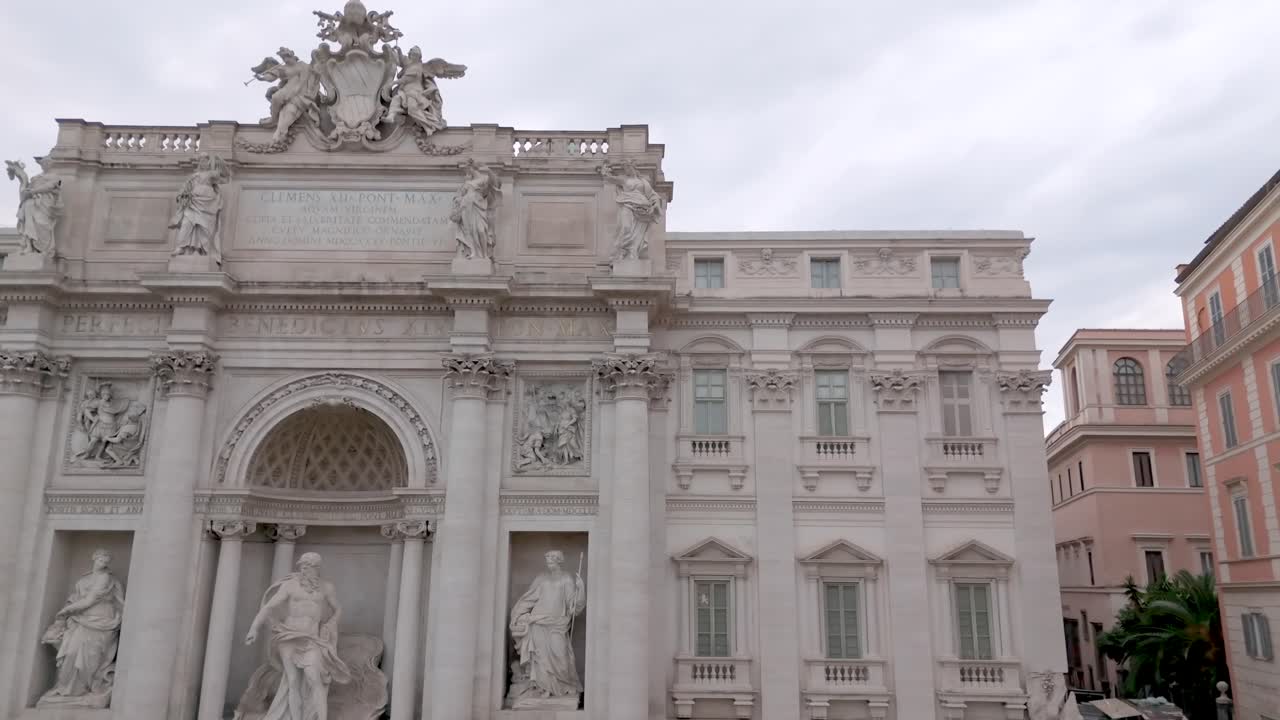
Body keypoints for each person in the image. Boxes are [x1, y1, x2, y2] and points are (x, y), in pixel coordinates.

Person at [245, 552, 351, 720]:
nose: (303, 569)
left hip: (311, 639)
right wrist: (254, 629)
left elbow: (338, 609)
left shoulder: (326, 587)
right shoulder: (290, 586)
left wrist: (331, 623)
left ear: (316, 568)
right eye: (302, 566)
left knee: (314, 678)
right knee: (293, 681)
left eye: (308, 566)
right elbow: (268, 607)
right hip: (289, 636)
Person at [38, 549, 125, 708]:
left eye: (106, 561)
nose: (103, 563)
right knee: (71, 652)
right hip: (81, 620)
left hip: (101, 622)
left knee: (90, 658)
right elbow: (76, 598)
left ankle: (82, 690)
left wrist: (65, 611)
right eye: (100, 560)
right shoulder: (84, 580)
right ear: (94, 558)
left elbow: (89, 600)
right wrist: (68, 612)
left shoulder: (105, 578)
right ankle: (66, 690)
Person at [508, 550, 585, 706]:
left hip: (557, 623)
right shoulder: (541, 578)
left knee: (560, 655)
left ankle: (563, 687)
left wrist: (580, 589)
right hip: (538, 622)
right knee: (540, 658)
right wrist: (517, 614)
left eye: (552, 559)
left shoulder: (566, 579)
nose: (549, 561)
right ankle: (543, 688)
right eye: (547, 559)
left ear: (559, 560)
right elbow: (529, 598)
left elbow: (572, 605)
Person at [170, 153, 231, 265]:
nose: (202, 163)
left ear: (208, 162)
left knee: (204, 228)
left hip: (208, 204)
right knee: (186, 224)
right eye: (201, 161)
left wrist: (219, 163)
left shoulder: (211, 174)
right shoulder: (194, 176)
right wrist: (182, 196)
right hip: (193, 202)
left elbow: (226, 178)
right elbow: (184, 190)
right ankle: (181, 247)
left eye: (204, 161)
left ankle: (202, 250)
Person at [600, 161, 662, 260]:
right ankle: (622, 251)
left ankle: (632, 252)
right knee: (626, 227)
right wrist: (605, 170)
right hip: (627, 204)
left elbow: (652, 195)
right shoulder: (624, 179)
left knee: (638, 233)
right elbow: (610, 178)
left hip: (642, 208)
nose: (626, 170)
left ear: (632, 167)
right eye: (625, 168)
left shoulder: (643, 181)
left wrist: (656, 204)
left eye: (627, 167)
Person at [5, 156, 63, 256]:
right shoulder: (36, 177)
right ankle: (29, 246)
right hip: (33, 202)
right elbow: (26, 189)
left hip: (45, 205)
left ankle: (45, 249)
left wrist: (34, 191)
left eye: (47, 163)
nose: (44, 165)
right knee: (28, 214)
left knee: (42, 224)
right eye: (43, 163)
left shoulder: (56, 178)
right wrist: (21, 176)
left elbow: (50, 186)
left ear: (51, 165)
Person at [450, 159, 500, 259]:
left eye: (467, 169)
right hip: (466, 206)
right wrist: (458, 200)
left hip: (479, 206)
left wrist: (489, 171)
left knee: (481, 230)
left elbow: (496, 184)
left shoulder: (485, 178)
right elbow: (459, 195)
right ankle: (473, 251)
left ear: (472, 168)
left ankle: (484, 254)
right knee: (469, 230)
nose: (467, 172)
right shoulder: (467, 183)